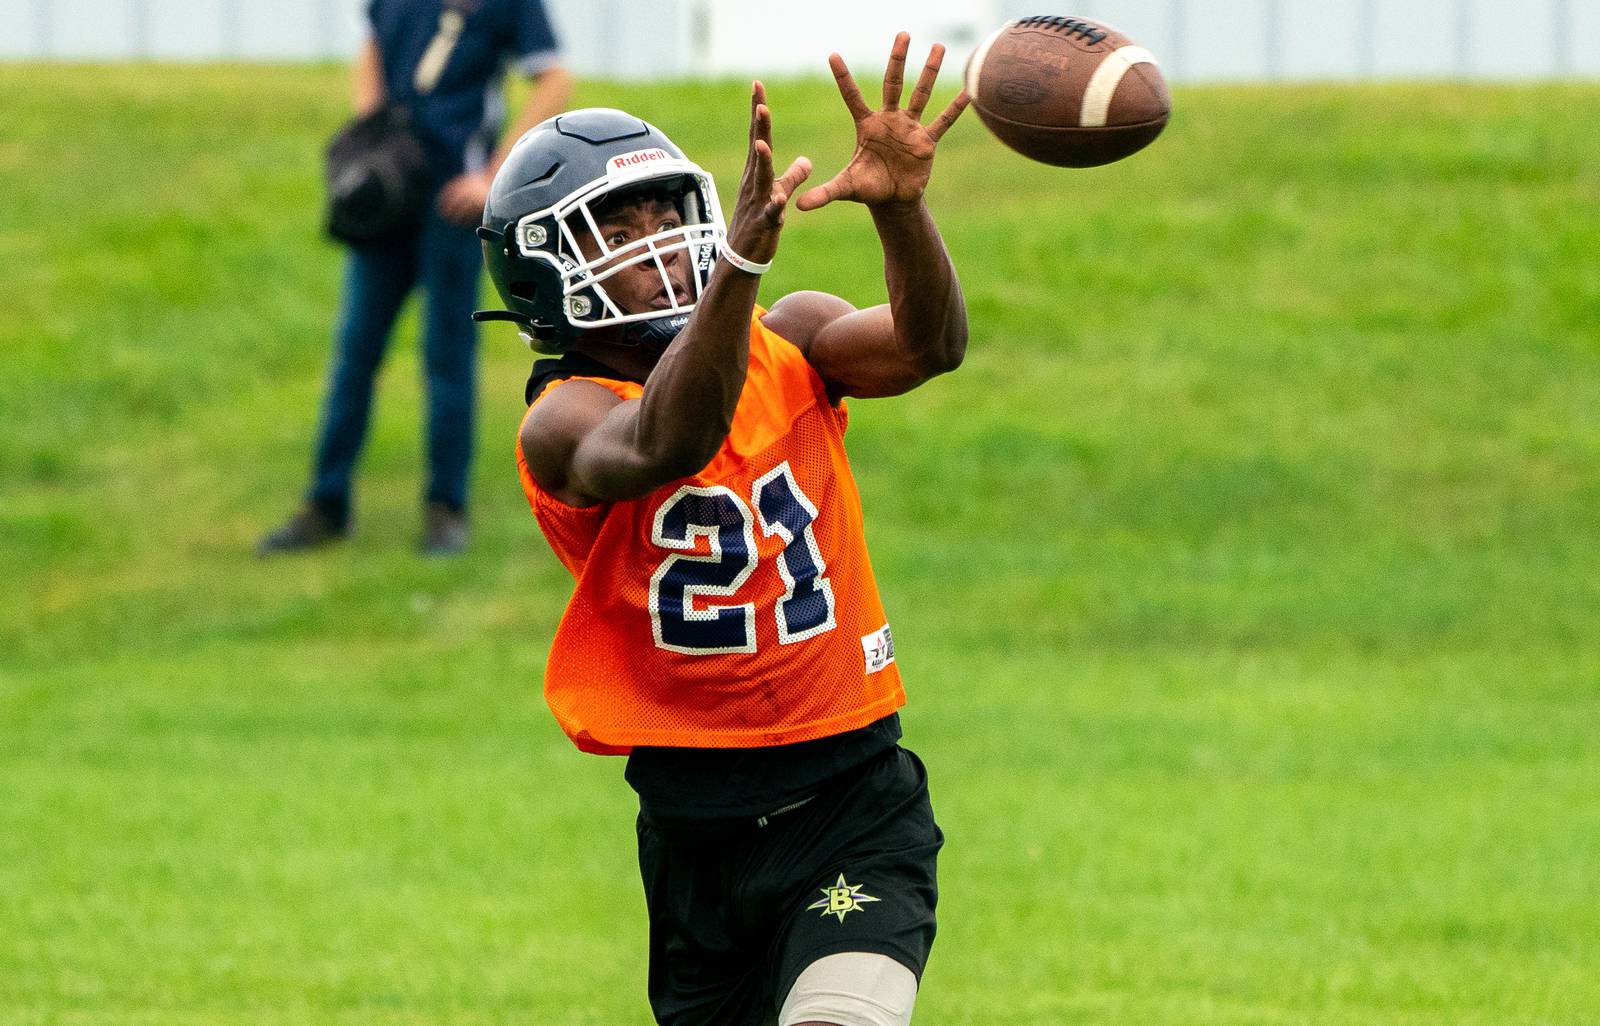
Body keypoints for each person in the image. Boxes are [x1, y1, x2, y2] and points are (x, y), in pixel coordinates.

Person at [478, 34, 968, 1026]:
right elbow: (671, 434)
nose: (658, 243)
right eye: (618, 226)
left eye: (668, 213)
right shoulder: (562, 420)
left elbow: (929, 346)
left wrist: (903, 212)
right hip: (694, 830)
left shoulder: (789, 336)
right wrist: (738, 264)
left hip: (851, 802)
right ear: (545, 268)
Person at [259, 0, 573, 556]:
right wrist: (372, 136)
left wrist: (493, 175)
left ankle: (445, 509)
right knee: (355, 352)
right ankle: (326, 504)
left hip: (451, 205)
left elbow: (553, 79)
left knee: (447, 357)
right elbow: (373, 44)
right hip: (388, 195)